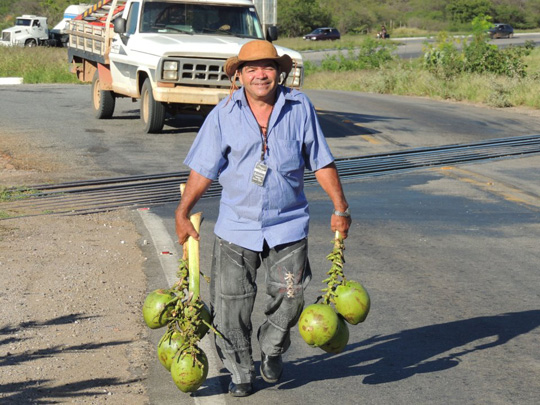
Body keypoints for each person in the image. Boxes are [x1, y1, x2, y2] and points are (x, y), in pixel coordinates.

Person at [174, 40, 351, 397]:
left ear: (279, 72)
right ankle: (240, 373)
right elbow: (203, 169)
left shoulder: (300, 107)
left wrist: (340, 208)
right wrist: (182, 211)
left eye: (267, 67)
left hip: (287, 226)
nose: (260, 75)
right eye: (251, 69)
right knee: (229, 308)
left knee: (291, 296)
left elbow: (320, 160)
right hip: (236, 228)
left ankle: (271, 348)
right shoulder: (223, 114)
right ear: (238, 75)